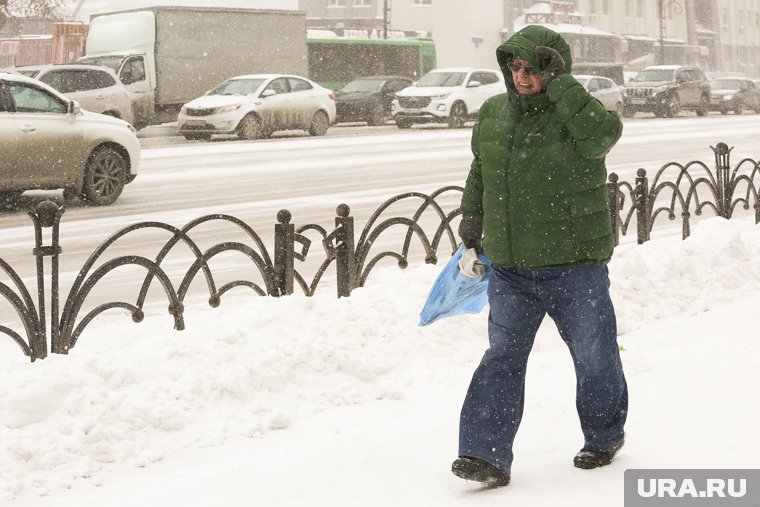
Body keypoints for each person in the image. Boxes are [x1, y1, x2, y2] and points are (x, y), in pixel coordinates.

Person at [450, 25, 629, 488]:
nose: (521, 75)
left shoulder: (578, 113)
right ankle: (483, 454)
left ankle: (604, 436)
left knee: (594, 355)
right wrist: (471, 219)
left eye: (533, 67)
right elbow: (480, 168)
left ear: (554, 67)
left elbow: (601, 138)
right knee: (502, 357)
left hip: (575, 265)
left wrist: (562, 83)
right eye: (515, 66)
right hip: (510, 267)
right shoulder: (493, 112)